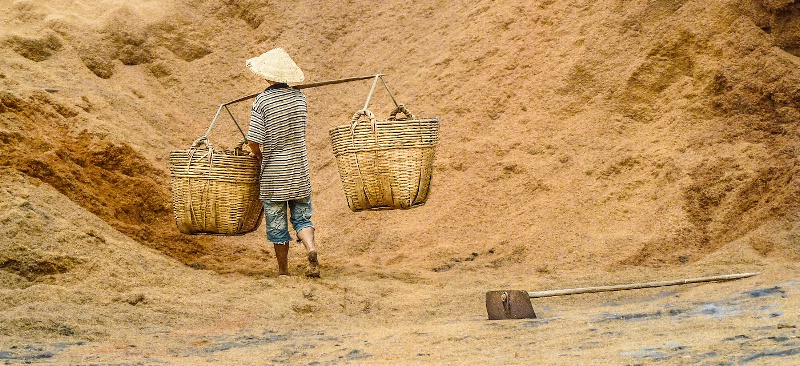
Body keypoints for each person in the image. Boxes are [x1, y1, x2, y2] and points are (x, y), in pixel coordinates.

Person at [244, 48, 319, 278]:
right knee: (302, 217)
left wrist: (257, 154)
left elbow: (253, 139)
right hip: (298, 170)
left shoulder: (262, 101)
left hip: (274, 174)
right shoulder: (300, 98)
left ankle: (283, 271)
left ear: (266, 75)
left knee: (277, 224)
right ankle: (311, 248)